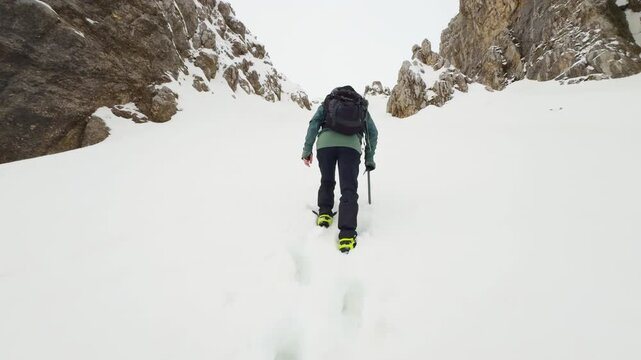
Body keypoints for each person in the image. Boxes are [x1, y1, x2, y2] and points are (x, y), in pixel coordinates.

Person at [301, 86, 378, 253]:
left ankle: (325, 213)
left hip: (325, 145)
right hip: (351, 147)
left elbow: (314, 123)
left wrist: (307, 150)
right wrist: (369, 158)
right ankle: (347, 236)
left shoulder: (329, 102)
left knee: (327, 180)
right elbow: (372, 133)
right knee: (349, 189)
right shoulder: (360, 106)